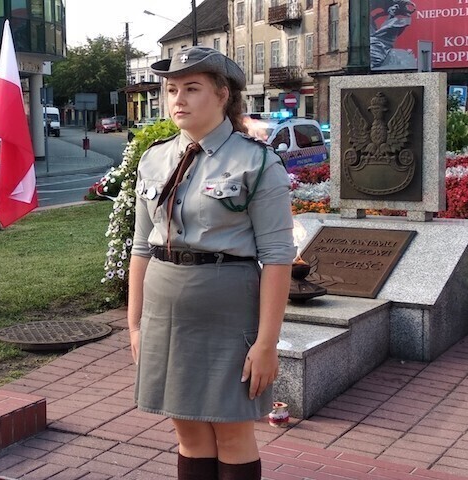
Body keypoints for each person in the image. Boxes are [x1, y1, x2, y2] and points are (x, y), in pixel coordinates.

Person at [128, 47, 295, 480]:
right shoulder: (154, 159)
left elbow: (277, 257)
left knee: (233, 434)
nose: (178, 99)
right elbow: (142, 248)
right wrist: (134, 324)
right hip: (164, 313)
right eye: (171, 90)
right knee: (188, 433)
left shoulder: (257, 162)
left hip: (228, 310)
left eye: (192, 88)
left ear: (223, 95)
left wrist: (266, 343)